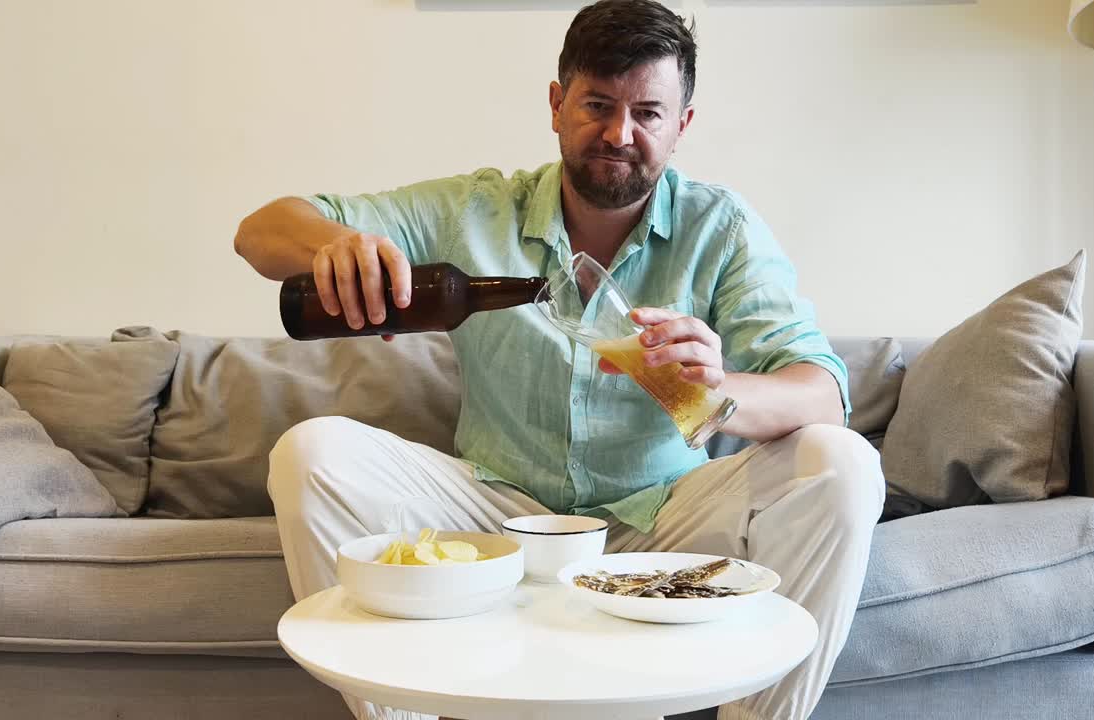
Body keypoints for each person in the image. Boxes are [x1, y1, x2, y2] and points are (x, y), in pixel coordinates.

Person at [234, 1, 884, 718]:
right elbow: (260, 231)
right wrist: (337, 247)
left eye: (648, 113)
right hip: (495, 513)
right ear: (556, 105)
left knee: (843, 463)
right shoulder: (475, 210)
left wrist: (718, 390)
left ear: (683, 124)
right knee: (312, 453)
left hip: (661, 518)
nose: (620, 134)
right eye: (597, 105)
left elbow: (822, 395)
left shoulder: (719, 228)